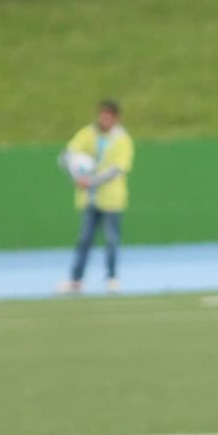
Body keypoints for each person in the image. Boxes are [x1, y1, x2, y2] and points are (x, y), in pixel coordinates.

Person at [56, 99, 133, 294]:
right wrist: (77, 176)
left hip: (111, 199)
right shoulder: (87, 134)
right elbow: (65, 156)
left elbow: (117, 169)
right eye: (102, 114)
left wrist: (91, 180)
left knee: (111, 239)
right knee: (84, 240)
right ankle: (76, 280)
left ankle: (112, 278)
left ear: (116, 118)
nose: (104, 118)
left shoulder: (122, 140)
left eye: (109, 115)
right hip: (89, 199)